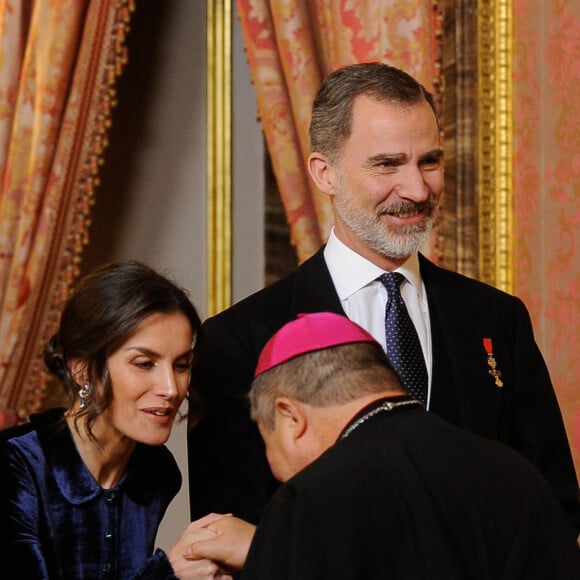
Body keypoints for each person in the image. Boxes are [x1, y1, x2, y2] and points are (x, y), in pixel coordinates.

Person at [187, 62, 580, 534]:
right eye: (387, 164)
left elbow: (553, 507)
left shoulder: (498, 321)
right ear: (324, 173)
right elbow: (229, 534)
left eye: (429, 161)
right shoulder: (238, 340)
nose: (417, 189)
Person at [186, 312, 580, 579]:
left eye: (267, 441)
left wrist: (264, 553)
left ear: (289, 416)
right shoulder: (515, 474)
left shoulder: (311, 498)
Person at [0, 261, 232, 579]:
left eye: (181, 365)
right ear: (82, 369)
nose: (171, 388)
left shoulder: (157, 473)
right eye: (144, 363)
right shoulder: (14, 464)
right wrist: (166, 574)